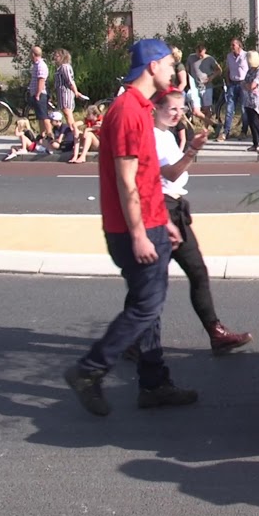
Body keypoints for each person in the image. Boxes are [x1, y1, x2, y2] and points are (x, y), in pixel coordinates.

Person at [63, 38, 197, 417]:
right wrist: (140, 233)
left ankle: (154, 384)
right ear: (152, 66)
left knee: (149, 307)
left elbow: (148, 176)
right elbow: (126, 181)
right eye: (170, 65)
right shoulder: (127, 111)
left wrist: (164, 221)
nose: (174, 72)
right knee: (145, 306)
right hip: (131, 230)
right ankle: (89, 370)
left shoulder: (140, 108)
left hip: (152, 223)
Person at [151, 90, 251, 355]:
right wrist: (193, 150)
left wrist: (189, 150)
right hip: (161, 209)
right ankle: (136, 340)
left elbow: (176, 172)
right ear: (156, 107)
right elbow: (171, 174)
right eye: (172, 109)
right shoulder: (151, 137)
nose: (177, 114)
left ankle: (215, 332)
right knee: (152, 283)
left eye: (181, 109)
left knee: (195, 271)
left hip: (174, 209)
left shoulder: (167, 136)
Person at [185, 43, 220, 124]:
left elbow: (219, 70)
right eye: (198, 53)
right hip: (194, 87)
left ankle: (206, 130)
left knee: (207, 108)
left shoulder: (209, 59)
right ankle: (212, 124)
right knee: (195, 110)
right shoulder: (191, 58)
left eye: (202, 53)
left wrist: (211, 77)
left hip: (206, 87)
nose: (200, 56)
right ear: (196, 51)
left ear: (205, 50)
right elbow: (187, 70)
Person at [220, 38, 247, 141]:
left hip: (243, 84)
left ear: (239, 46)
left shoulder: (246, 55)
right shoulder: (229, 56)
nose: (231, 47)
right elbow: (227, 70)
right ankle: (225, 132)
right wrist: (228, 82)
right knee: (229, 109)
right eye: (231, 45)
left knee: (244, 109)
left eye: (233, 45)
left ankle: (243, 131)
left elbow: (251, 70)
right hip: (233, 83)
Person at [243, 50, 259, 154]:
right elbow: (244, 83)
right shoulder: (250, 70)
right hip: (248, 99)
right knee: (250, 123)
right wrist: (247, 86)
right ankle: (255, 143)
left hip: (255, 101)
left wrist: (247, 86)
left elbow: (253, 85)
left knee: (256, 122)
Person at [28, 46, 53, 142]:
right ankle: (42, 134)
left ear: (34, 54)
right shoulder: (36, 65)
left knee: (43, 115)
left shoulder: (41, 66)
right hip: (36, 93)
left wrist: (37, 94)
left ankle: (50, 134)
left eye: (31, 54)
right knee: (39, 116)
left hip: (40, 94)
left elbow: (41, 81)